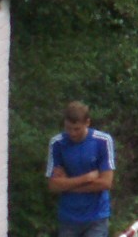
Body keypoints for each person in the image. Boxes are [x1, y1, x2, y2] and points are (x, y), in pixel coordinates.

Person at [46, 101, 114, 237]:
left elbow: (105, 183)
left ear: (87, 123)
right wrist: (87, 178)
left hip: (96, 216)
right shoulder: (57, 143)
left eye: (76, 129)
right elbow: (53, 185)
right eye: (68, 128)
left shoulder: (103, 141)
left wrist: (67, 184)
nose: (72, 133)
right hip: (68, 217)